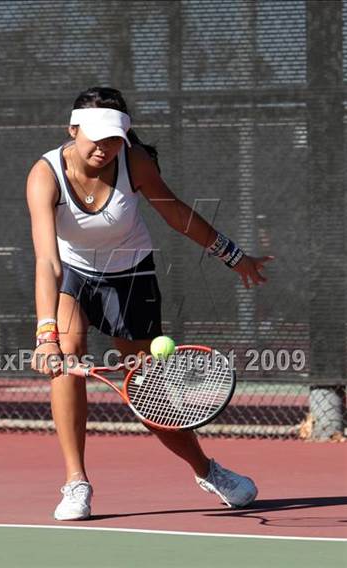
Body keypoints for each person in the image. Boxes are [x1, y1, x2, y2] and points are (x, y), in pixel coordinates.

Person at [27, 87, 273, 521]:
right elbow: (48, 260)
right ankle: (76, 482)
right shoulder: (45, 175)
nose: (104, 148)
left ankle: (207, 470)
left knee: (148, 393)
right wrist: (45, 334)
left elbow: (176, 214)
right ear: (72, 129)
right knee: (66, 360)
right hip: (74, 276)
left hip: (131, 280)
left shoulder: (135, 161)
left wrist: (234, 256)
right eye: (95, 138)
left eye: (114, 138)